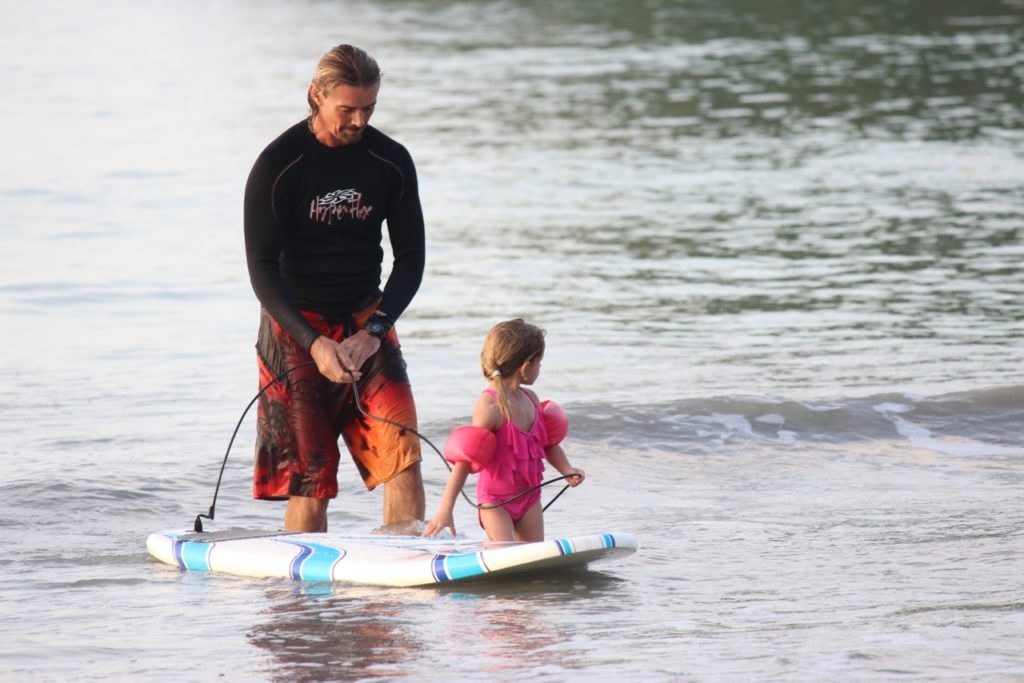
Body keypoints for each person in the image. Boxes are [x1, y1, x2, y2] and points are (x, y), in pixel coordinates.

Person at [243, 44, 426, 533]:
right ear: (315, 96)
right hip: (295, 328)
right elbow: (261, 269)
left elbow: (411, 258)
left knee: (402, 452)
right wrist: (314, 342)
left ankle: (404, 574)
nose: (359, 121)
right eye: (347, 109)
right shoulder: (279, 165)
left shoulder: (390, 161)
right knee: (311, 476)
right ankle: (303, 605)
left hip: (367, 319)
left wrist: (374, 332)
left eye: (369, 108)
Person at [423, 320, 585, 542]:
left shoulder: (531, 399)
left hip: (530, 498)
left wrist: (567, 469)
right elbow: (465, 460)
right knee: (504, 552)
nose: (540, 368)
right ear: (526, 366)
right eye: (540, 362)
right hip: (495, 502)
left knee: (533, 555)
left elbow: (547, 445)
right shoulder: (490, 406)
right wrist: (445, 510)